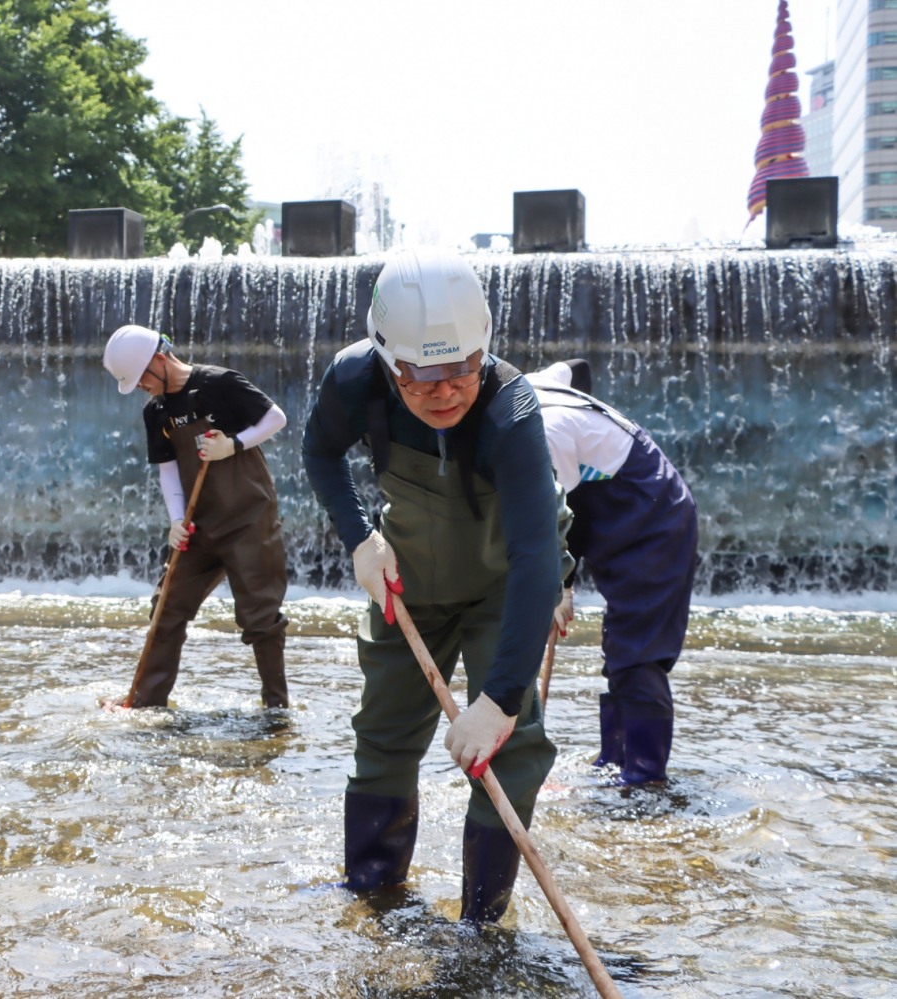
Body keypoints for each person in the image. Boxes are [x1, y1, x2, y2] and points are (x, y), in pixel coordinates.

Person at [301, 246, 570, 922]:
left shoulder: (512, 411)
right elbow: (319, 451)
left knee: (513, 750)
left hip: (499, 586)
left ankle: (482, 921)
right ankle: (374, 895)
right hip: (408, 578)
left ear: (484, 350)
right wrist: (360, 537)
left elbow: (539, 557)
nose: (445, 391)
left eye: (461, 371)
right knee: (384, 736)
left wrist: (502, 700)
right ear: (389, 363)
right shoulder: (354, 381)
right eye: (422, 378)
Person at [525, 359, 698, 785]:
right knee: (622, 648)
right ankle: (614, 762)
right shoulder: (533, 384)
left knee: (637, 653)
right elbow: (580, 368)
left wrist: (561, 589)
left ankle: (644, 779)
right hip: (613, 511)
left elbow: (558, 520)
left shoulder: (543, 432)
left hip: (652, 515)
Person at [102, 324, 291, 709]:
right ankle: (145, 702)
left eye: (141, 378)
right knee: (166, 607)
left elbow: (276, 418)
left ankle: (276, 707)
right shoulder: (156, 411)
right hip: (198, 527)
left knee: (260, 617)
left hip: (247, 520)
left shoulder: (220, 383)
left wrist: (232, 445)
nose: (140, 386)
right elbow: (168, 468)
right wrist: (176, 521)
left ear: (159, 359)